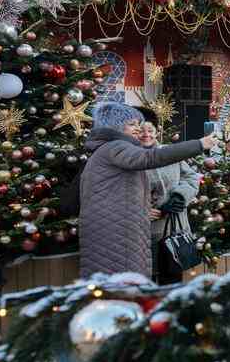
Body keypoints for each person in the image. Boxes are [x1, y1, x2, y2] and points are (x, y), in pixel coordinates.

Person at [78, 102, 217, 279]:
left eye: (143, 126)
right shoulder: (118, 148)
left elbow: (119, 193)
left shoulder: (110, 149)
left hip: (152, 228)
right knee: (128, 284)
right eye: (133, 125)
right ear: (117, 126)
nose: (140, 130)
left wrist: (179, 197)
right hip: (124, 232)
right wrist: (199, 144)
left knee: (146, 280)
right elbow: (150, 159)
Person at [138, 121, 200, 284]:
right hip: (144, 229)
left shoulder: (169, 153)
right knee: (146, 278)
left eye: (150, 130)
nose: (146, 135)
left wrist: (180, 196)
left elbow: (191, 177)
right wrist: (140, 209)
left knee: (172, 275)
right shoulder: (130, 158)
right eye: (141, 131)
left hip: (174, 226)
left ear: (156, 132)